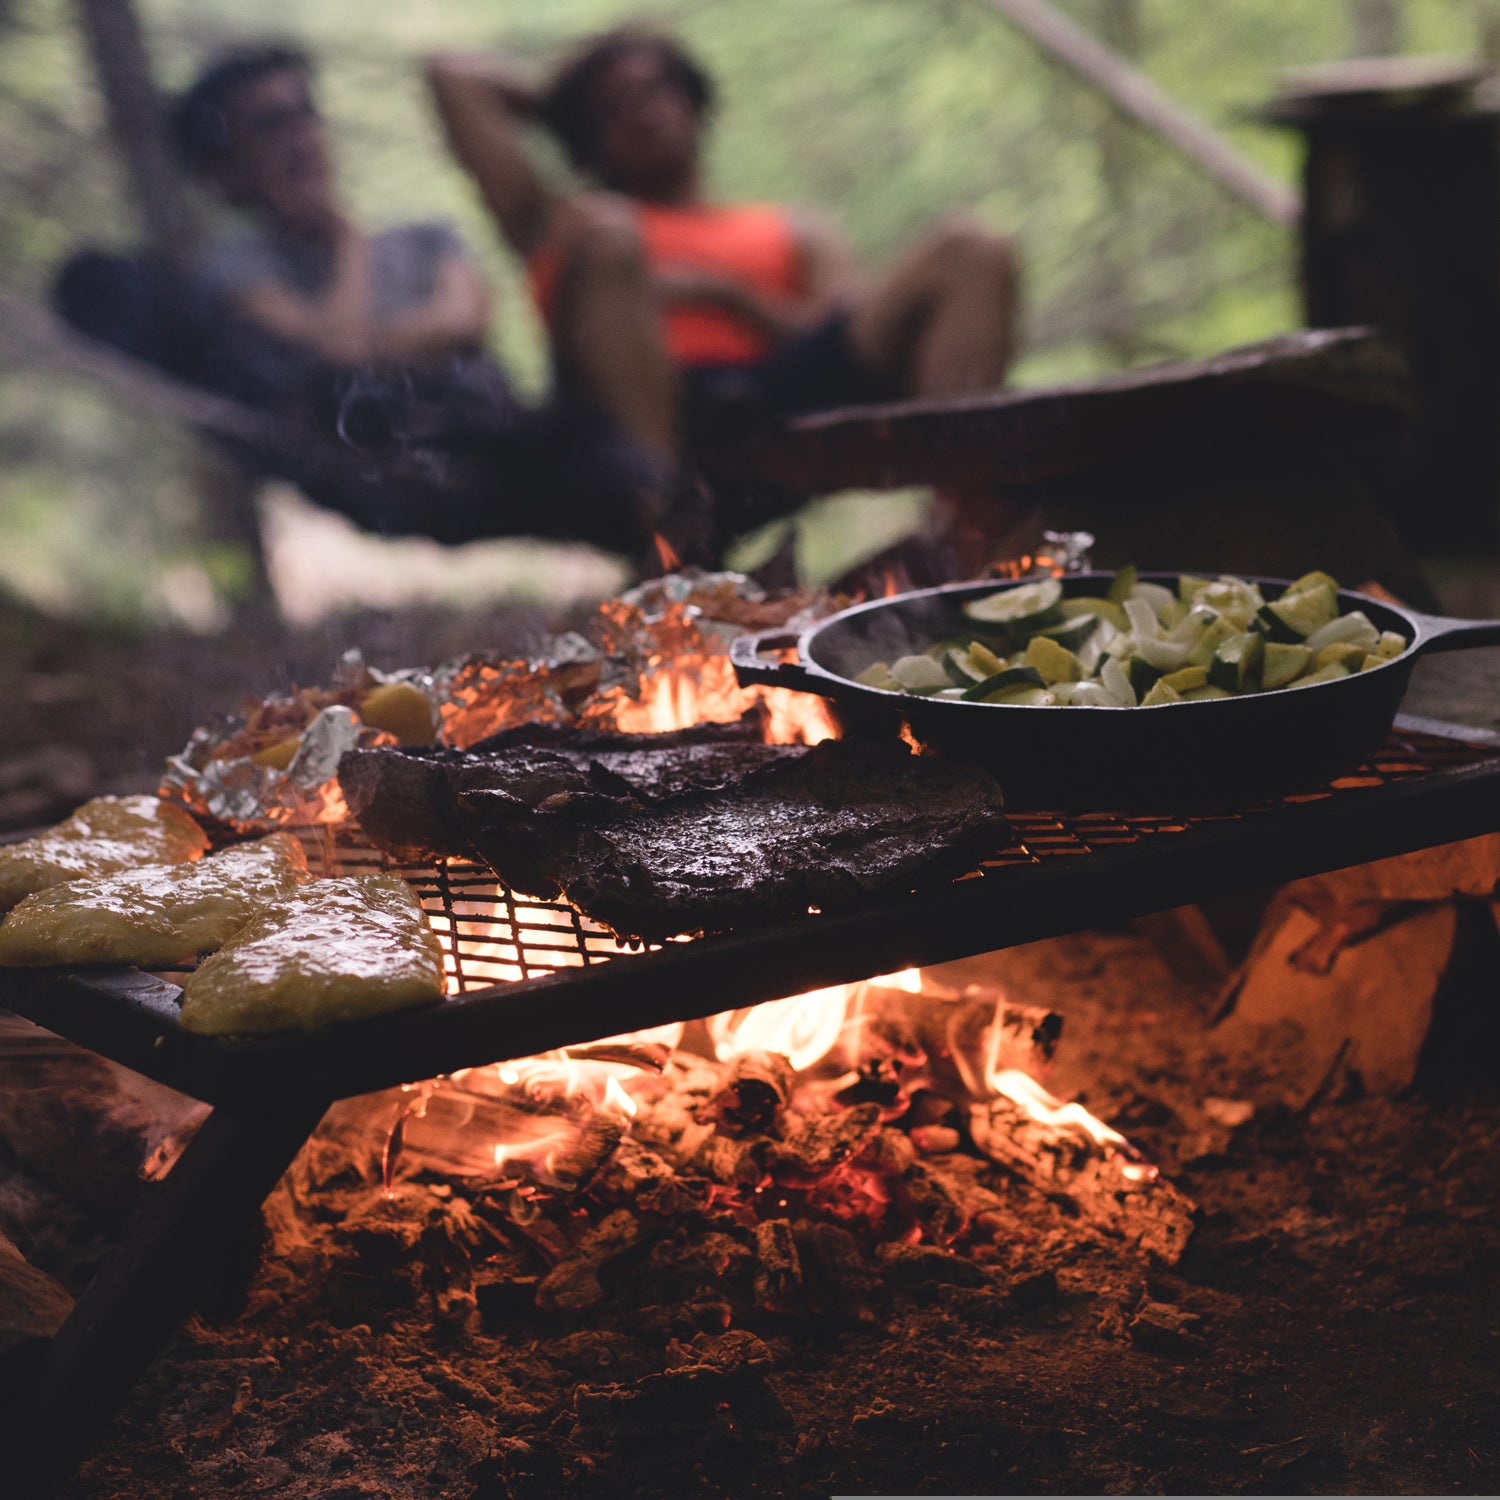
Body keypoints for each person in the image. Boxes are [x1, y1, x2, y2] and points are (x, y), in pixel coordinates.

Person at [53, 44, 672, 558]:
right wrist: (345, 240)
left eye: (304, 113)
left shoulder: (426, 235)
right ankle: (667, 521)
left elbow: (464, 322)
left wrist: (362, 342)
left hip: (516, 430)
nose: (301, 138)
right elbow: (343, 356)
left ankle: (665, 513)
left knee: (605, 247)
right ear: (225, 171)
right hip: (410, 466)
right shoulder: (231, 267)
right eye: (270, 124)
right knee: (607, 468)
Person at [425, 28, 1021, 532]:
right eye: (611, 107)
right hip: (647, 422)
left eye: (654, 89)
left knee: (973, 247)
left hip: (785, 389)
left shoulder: (791, 229)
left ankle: (962, 521)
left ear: (695, 102)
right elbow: (450, 78)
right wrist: (562, 103)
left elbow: (846, 328)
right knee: (610, 231)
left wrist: (727, 297)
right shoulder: (562, 225)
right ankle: (669, 520)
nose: (638, 112)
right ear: (585, 135)